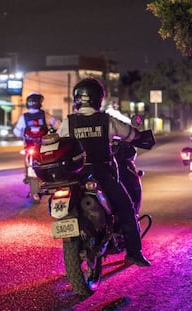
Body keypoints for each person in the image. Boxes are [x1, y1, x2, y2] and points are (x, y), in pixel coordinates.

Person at [56, 77, 151, 267]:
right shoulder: (106, 120)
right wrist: (140, 136)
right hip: (102, 174)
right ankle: (134, 252)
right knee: (126, 208)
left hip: (77, 176)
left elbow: (59, 143)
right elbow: (131, 134)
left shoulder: (68, 122)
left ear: (76, 99)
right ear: (99, 98)